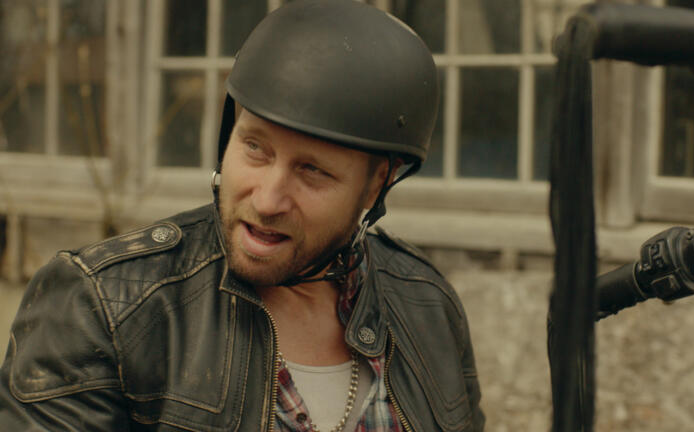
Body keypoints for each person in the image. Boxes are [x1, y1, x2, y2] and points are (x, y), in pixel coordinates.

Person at [0, 0, 484, 430]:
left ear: (377, 183)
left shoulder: (427, 306)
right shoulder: (104, 306)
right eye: (255, 148)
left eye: (312, 171)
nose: (268, 200)